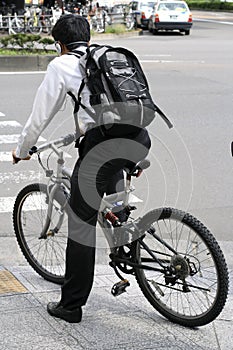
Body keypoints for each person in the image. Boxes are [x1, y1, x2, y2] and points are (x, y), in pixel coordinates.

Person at [12, 14, 151, 323]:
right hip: (139, 138)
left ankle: (71, 305)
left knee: (80, 224)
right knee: (111, 187)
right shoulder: (105, 56)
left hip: (103, 147)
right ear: (87, 36)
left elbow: (40, 115)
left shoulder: (61, 65)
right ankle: (125, 242)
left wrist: (22, 150)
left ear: (60, 44)